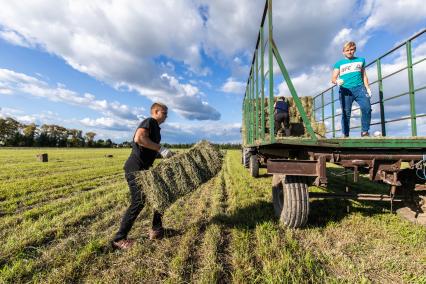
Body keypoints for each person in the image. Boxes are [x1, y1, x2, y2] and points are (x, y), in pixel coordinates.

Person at [112, 102, 174, 250]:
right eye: (165, 113)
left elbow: (147, 149)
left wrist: (165, 155)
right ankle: (118, 239)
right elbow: (139, 139)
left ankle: (156, 230)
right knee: (138, 202)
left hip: (144, 169)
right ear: (156, 111)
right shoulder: (149, 121)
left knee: (159, 196)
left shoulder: (156, 128)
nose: (167, 116)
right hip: (135, 169)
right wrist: (161, 148)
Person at [331, 41, 372, 137]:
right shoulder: (339, 63)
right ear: (343, 52)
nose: (350, 52)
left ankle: (365, 132)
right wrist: (337, 81)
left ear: (355, 50)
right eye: (347, 50)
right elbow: (333, 78)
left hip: (360, 88)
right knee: (346, 113)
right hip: (345, 90)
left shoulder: (361, 60)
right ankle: (345, 135)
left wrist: (368, 88)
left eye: (352, 50)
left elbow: (364, 76)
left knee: (367, 108)